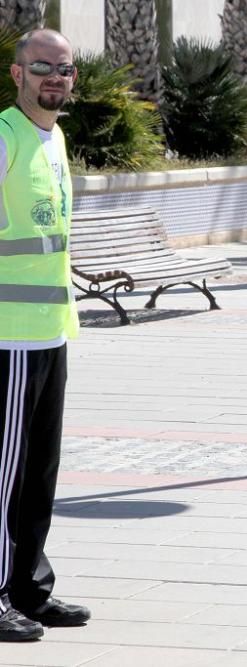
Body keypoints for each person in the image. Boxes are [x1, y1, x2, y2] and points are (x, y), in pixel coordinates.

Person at [0, 29, 91, 642]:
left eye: (64, 69)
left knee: (38, 474)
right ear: (16, 74)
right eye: (42, 68)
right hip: (6, 338)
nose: (54, 78)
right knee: (3, 475)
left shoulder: (54, 137)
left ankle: (30, 590)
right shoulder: (4, 138)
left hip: (50, 332)